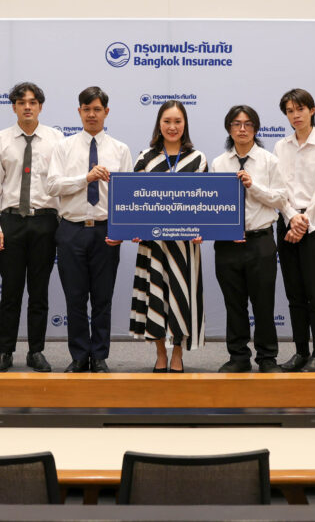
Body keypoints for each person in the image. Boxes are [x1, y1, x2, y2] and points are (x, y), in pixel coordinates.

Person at [46, 86, 133, 373]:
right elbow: (52, 186)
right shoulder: (64, 147)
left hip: (106, 231)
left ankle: (100, 356)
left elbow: (126, 195)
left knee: (102, 298)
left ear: (106, 112)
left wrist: (121, 231)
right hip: (71, 229)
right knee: (75, 297)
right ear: (79, 112)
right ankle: (79, 355)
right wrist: (85, 178)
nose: (91, 114)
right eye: (86, 109)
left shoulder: (120, 149)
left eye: (97, 109)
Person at [0, 82, 64, 373]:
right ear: (14, 107)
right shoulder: (1, 140)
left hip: (45, 222)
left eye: (32, 102)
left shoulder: (57, 139)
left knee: (39, 292)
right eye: (21, 102)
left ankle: (36, 351)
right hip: (11, 222)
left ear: (40, 106)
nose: (27, 107)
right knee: (10, 292)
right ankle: (5, 351)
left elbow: (62, 183)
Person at [129, 100, 208, 373]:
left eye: (177, 121)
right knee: (155, 297)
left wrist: (202, 230)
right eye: (167, 121)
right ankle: (160, 352)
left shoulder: (198, 158)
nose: (172, 127)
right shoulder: (145, 157)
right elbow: (135, 199)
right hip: (153, 244)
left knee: (181, 299)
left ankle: (178, 354)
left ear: (185, 124)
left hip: (185, 245)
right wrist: (135, 228)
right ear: (159, 124)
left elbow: (205, 202)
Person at [211, 105, 286, 374]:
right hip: (227, 244)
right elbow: (213, 204)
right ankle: (238, 356)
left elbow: (280, 198)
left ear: (255, 128)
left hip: (260, 241)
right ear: (229, 128)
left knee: (264, 303)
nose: (242, 129)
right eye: (236, 124)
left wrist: (253, 185)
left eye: (248, 124)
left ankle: (267, 357)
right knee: (234, 304)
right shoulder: (219, 163)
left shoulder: (269, 161)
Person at [273, 88, 315, 373]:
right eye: (290, 111)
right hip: (287, 222)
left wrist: (304, 223)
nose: (295, 115)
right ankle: (301, 352)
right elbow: (278, 189)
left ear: (312, 110)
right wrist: (291, 217)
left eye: (300, 109)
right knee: (294, 294)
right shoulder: (281, 147)